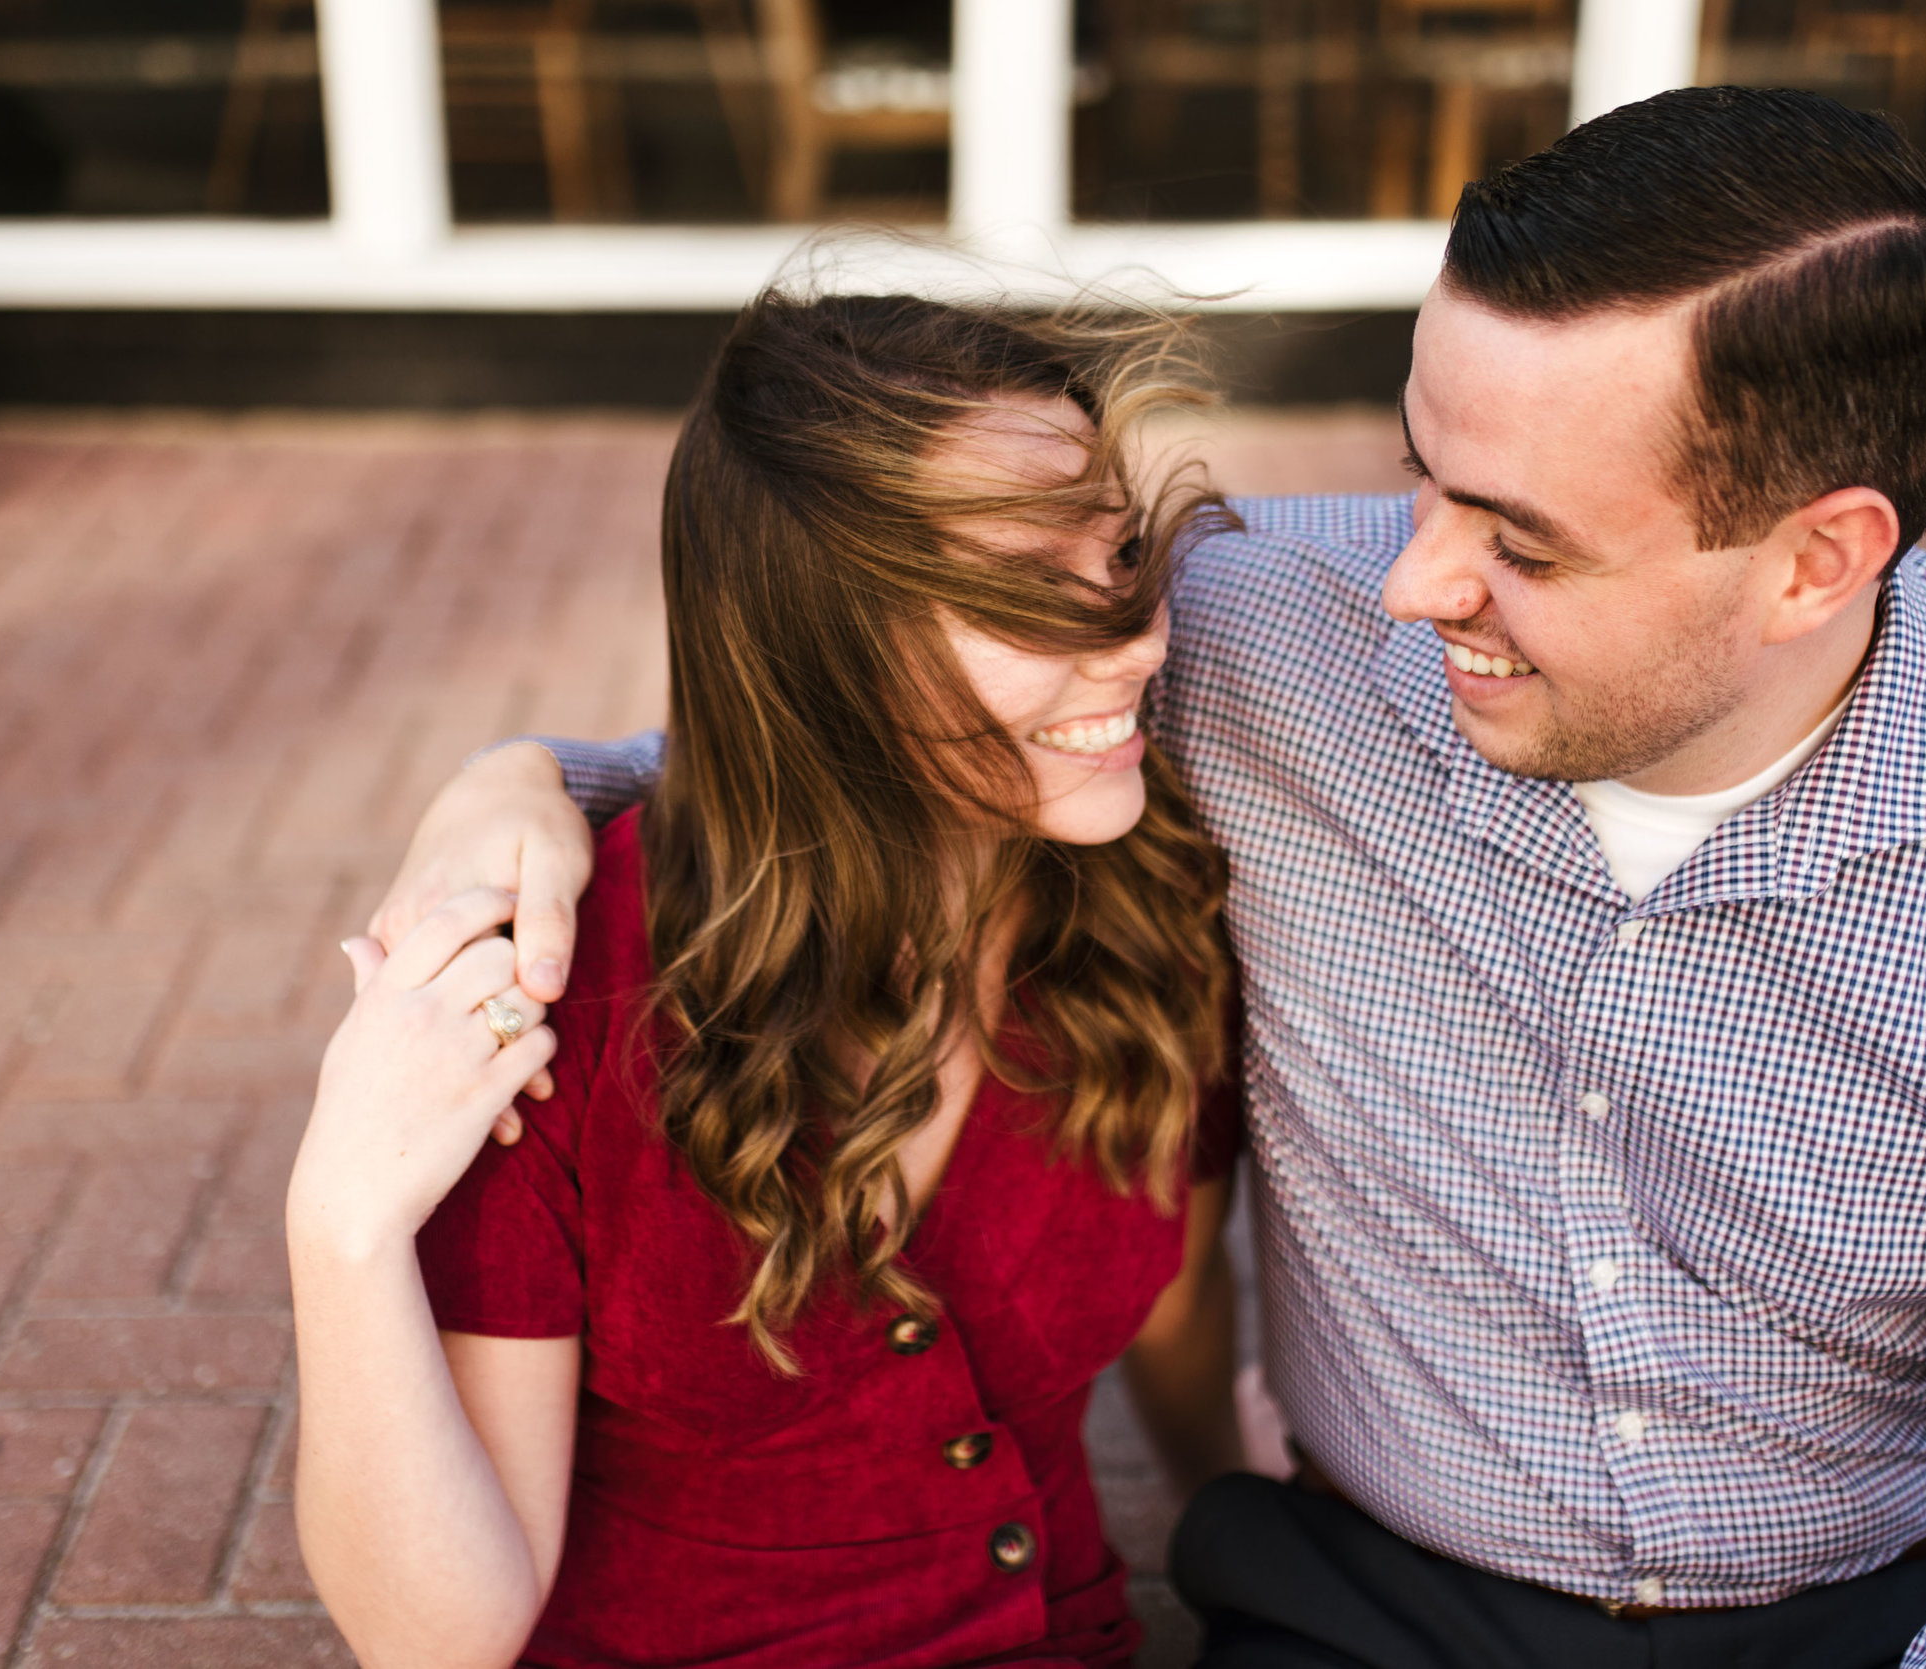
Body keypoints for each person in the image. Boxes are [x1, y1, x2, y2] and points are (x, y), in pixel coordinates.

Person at [371, 89, 1926, 1669]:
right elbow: (885, 725)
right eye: (1421, 475)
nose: (1408, 584)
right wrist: (528, 779)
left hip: (1862, 1612)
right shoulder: (1261, 639)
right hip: (1370, 1600)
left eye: (1521, 543)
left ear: (1815, 560)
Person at [289, 291, 1256, 1669]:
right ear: (824, 654)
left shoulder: (1148, 913)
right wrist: (341, 1226)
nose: (1134, 637)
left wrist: (1253, 1534)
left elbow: (1181, 1319)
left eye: (1118, 555)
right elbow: (437, 1638)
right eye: (1023, 591)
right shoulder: (569, 990)